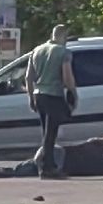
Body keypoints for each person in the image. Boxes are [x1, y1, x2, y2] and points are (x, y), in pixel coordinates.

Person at [26, 24, 78, 180]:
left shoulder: (37, 50)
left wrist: (30, 97)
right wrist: (73, 92)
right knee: (51, 134)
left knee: (46, 132)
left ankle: (48, 165)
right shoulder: (64, 52)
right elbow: (67, 76)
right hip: (53, 95)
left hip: (39, 95)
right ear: (64, 36)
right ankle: (47, 168)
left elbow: (28, 77)